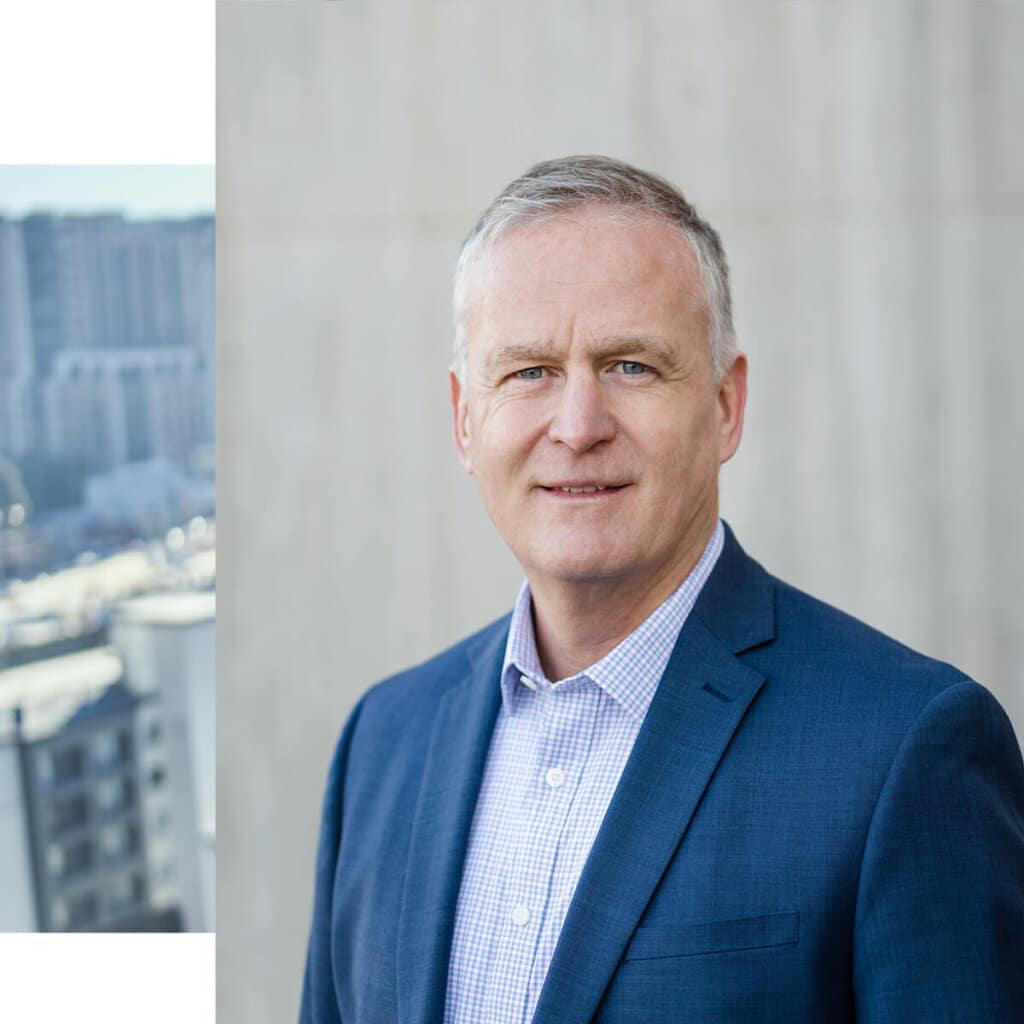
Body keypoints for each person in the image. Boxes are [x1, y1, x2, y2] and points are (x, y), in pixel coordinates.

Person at [299, 156, 1024, 1023]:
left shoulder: (908, 747)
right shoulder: (382, 743)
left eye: (631, 366)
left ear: (725, 405)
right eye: (528, 371)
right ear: (465, 418)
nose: (577, 426)